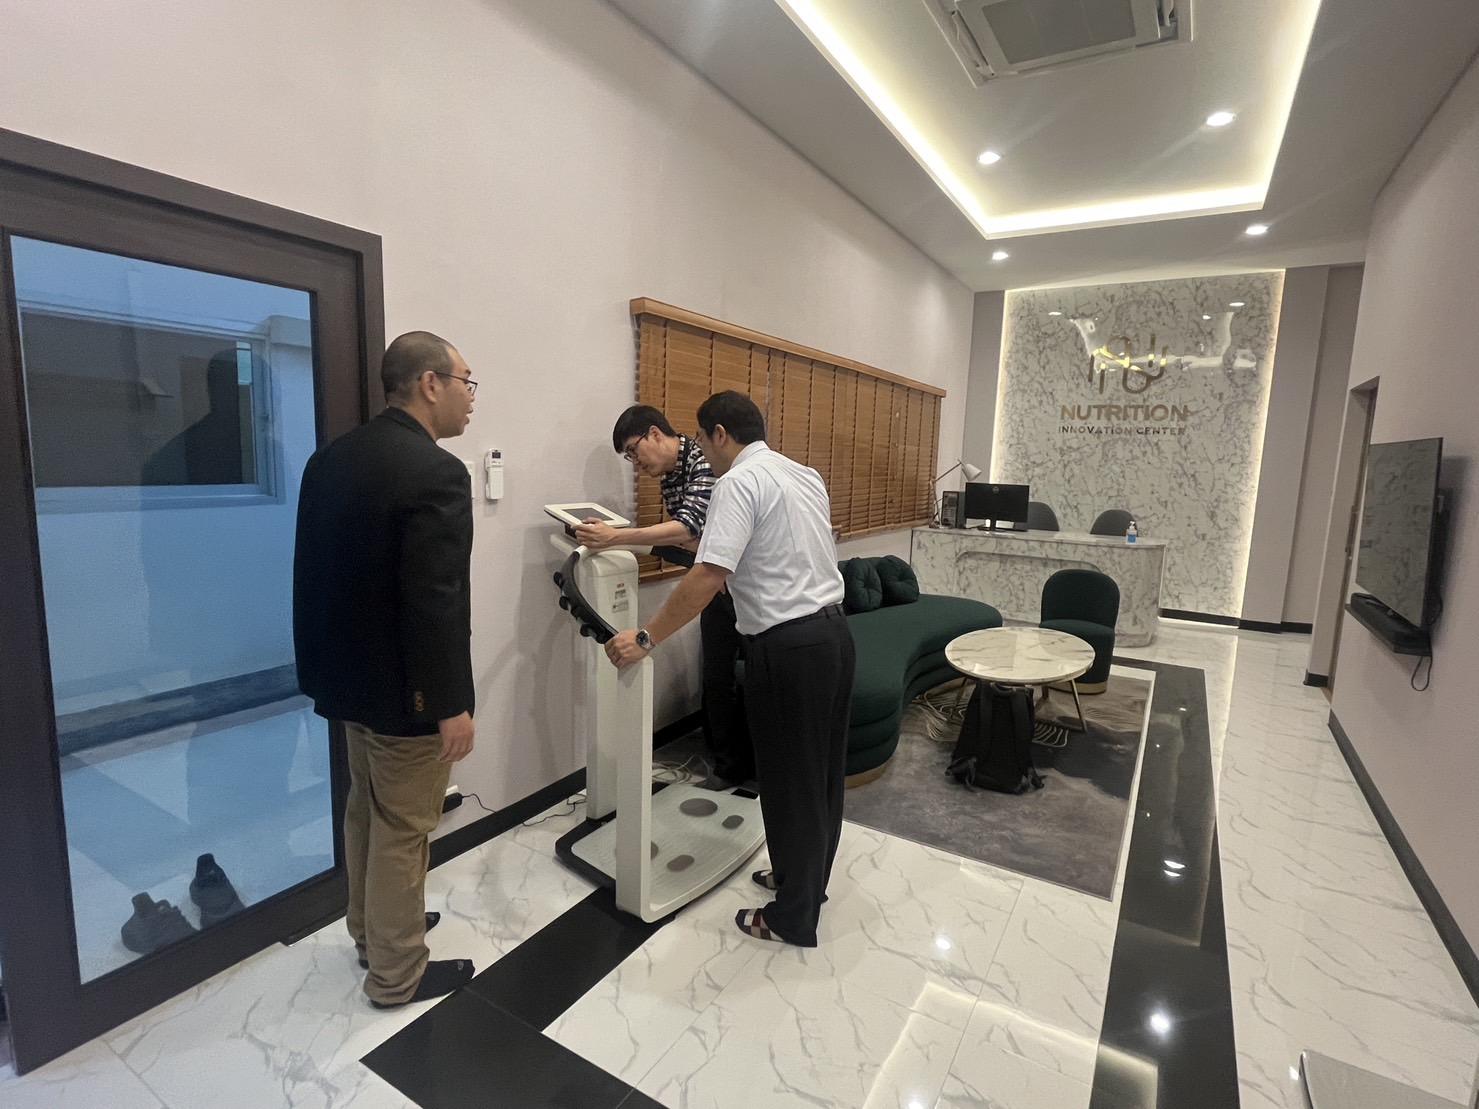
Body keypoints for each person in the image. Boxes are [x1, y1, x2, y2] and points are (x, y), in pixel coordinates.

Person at [604, 391, 852, 947]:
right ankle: (802, 883)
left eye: (702, 438)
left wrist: (646, 638)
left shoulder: (737, 482)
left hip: (787, 648)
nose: (702, 450)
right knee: (819, 778)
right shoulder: (803, 473)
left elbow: (707, 574)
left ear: (719, 434)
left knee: (788, 783)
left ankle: (792, 917)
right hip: (834, 636)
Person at [293, 330, 478, 1008]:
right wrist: (450, 703)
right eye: (466, 382)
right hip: (408, 692)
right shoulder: (436, 471)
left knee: (366, 811)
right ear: (430, 383)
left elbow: (315, 574)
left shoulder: (329, 460)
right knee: (404, 828)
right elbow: (434, 599)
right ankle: (398, 974)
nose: (471, 398)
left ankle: (372, 931)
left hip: (348, 682)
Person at [575, 405, 755, 789]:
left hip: (745, 587)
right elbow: (688, 539)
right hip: (715, 586)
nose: (635, 463)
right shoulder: (671, 476)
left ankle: (758, 766)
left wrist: (616, 536)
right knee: (716, 675)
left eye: (633, 451)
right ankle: (727, 768)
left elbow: (687, 528)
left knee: (755, 674)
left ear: (655, 434)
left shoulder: (702, 461)